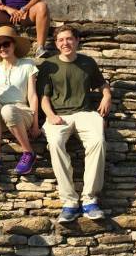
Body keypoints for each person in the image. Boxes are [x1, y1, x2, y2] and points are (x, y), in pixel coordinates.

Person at [37, 25, 111, 223]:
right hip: (58, 115)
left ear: (77, 41)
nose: (65, 43)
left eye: (69, 39)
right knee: (54, 143)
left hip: (85, 113)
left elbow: (102, 84)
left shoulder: (88, 63)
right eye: (61, 40)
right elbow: (43, 97)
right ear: (56, 44)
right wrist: (50, 115)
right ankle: (69, 202)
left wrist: (107, 96)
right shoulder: (48, 65)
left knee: (98, 141)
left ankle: (89, 200)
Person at [0, 25, 40, 177]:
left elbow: (32, 94)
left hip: (21, 112)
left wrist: (35, 124)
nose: (2, 48)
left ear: (14, 45)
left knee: (8, 110)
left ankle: (28, 152)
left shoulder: (27, 65)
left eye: (6, 44)